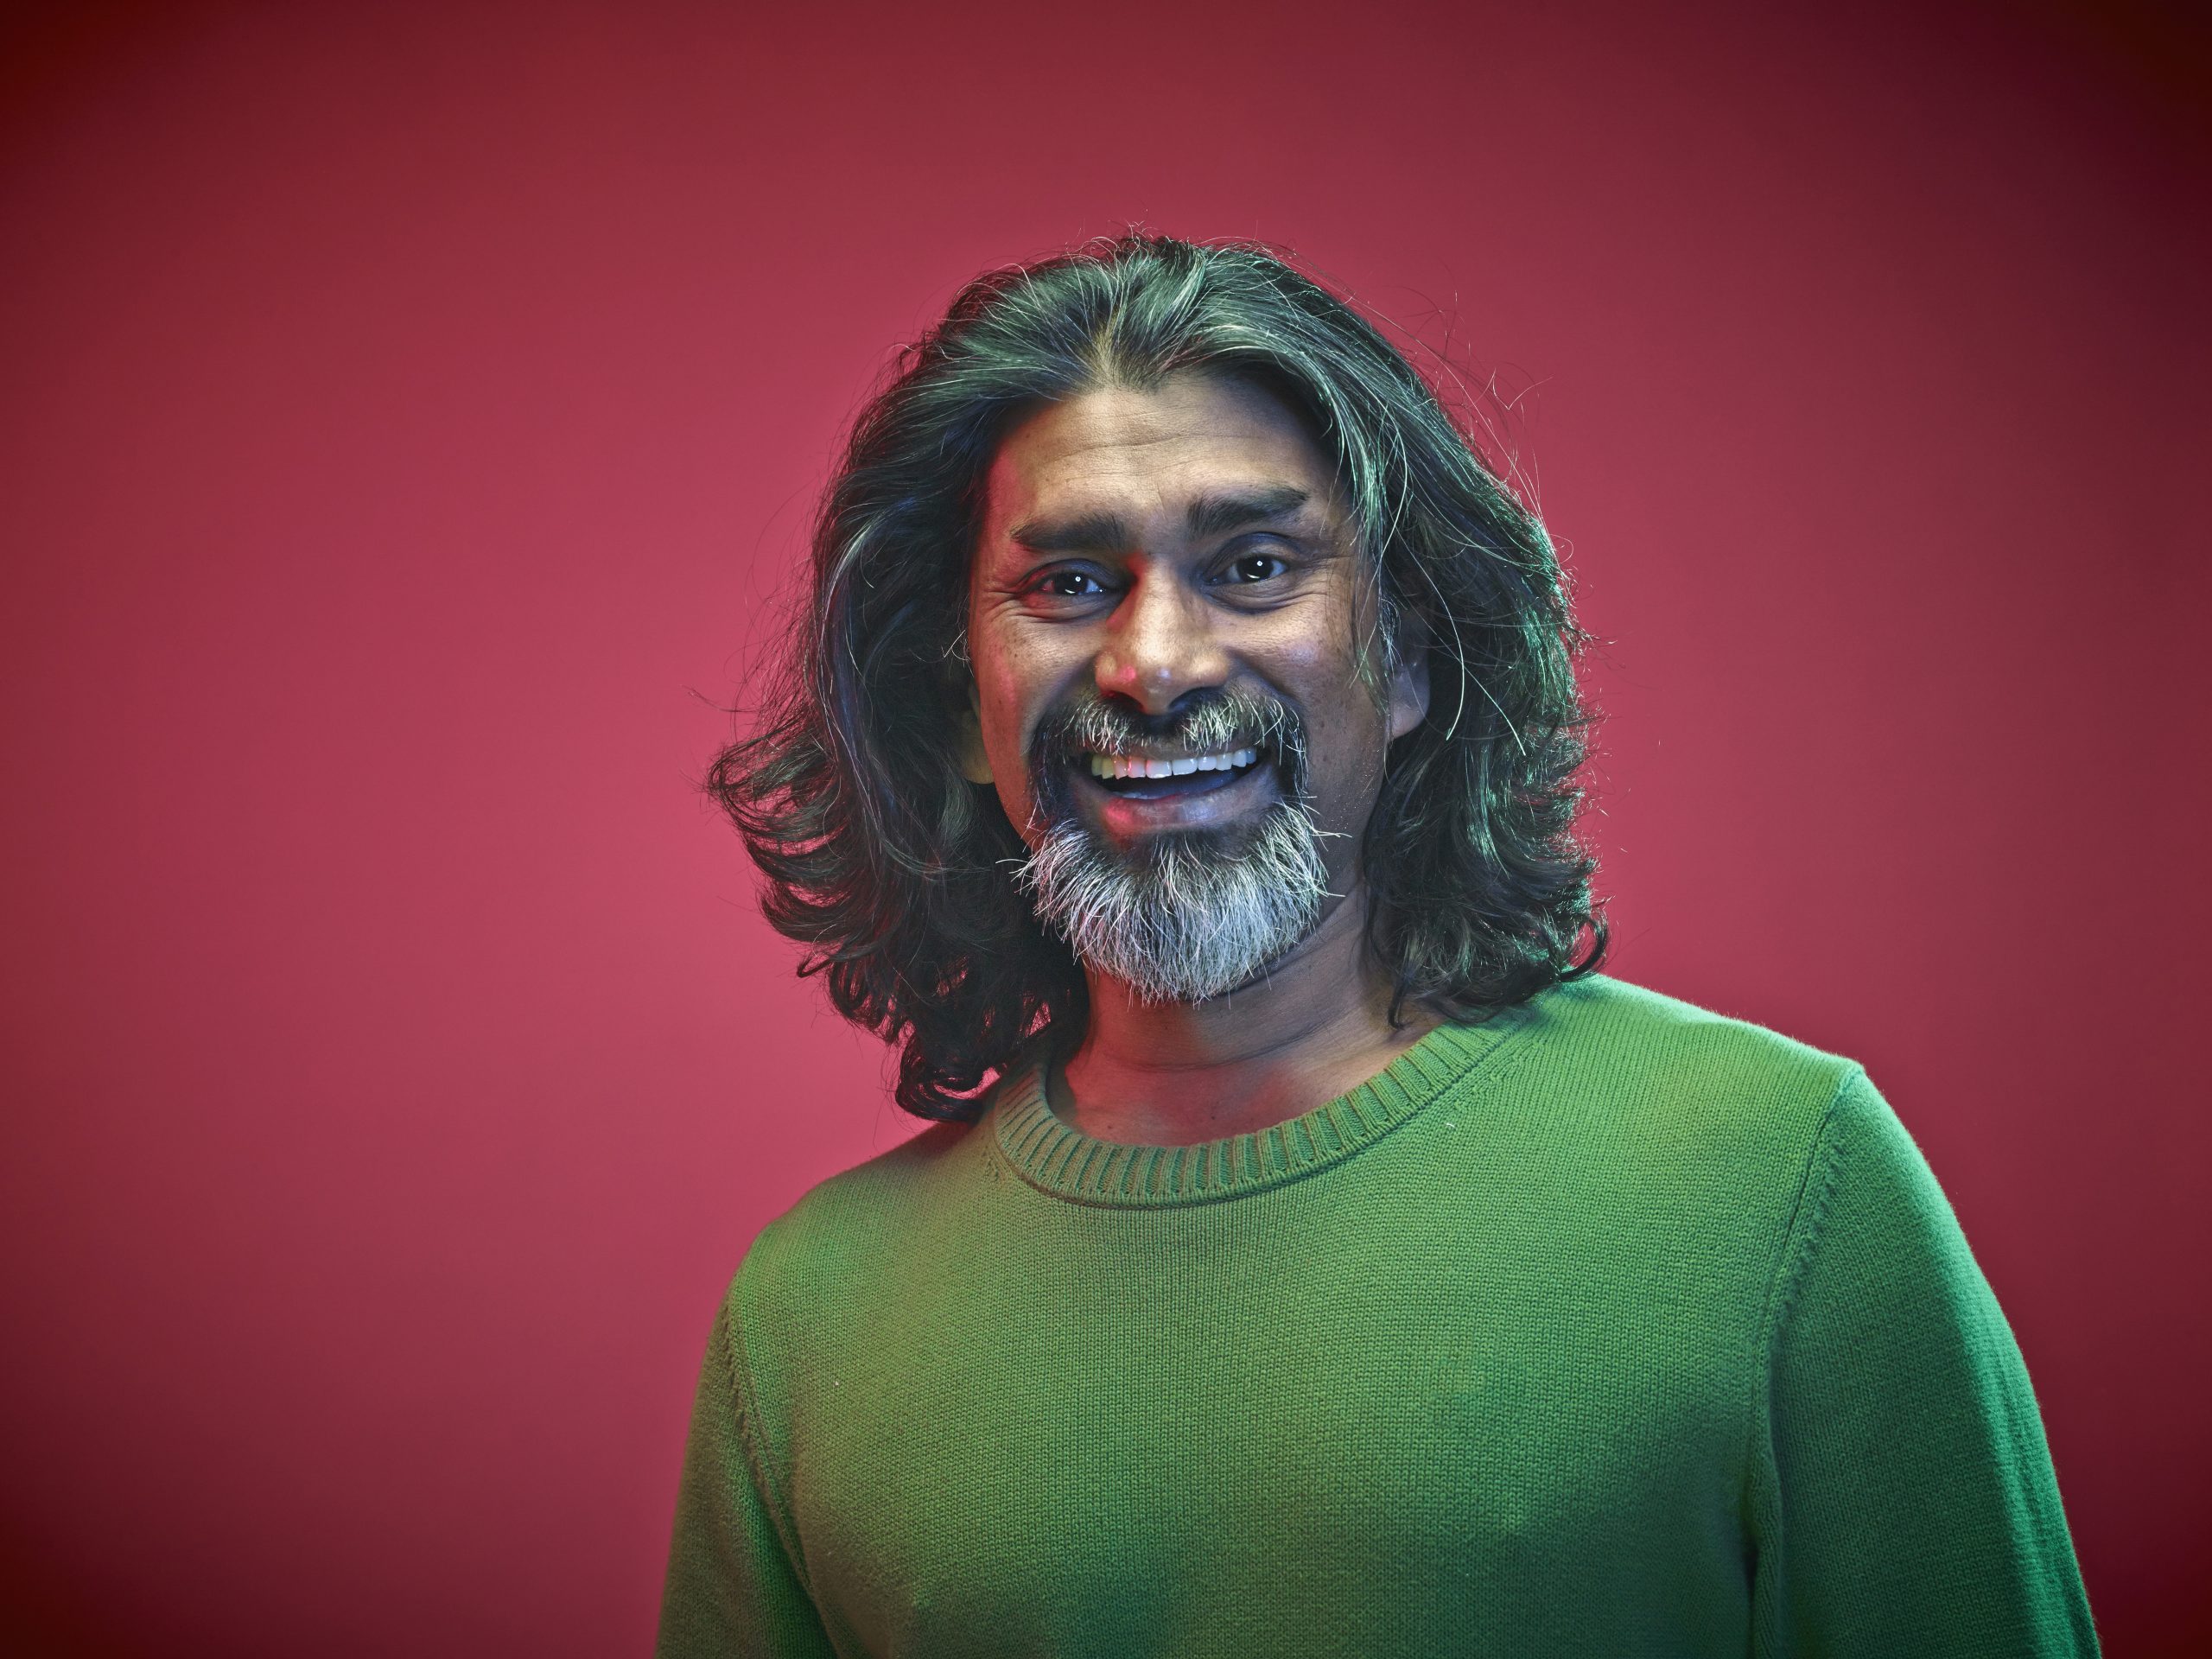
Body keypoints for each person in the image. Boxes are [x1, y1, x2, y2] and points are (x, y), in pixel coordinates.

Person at [657, 234, 2095, 1656]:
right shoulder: (808, 1323)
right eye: (1069, 585)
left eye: (1256, 565)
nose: (1155, 664)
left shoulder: (1783, 1183)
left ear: (1407, 655)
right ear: (960, 703)